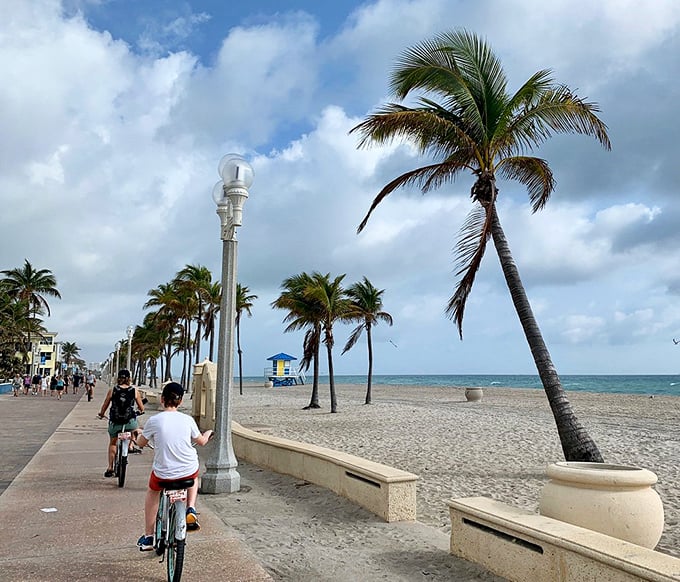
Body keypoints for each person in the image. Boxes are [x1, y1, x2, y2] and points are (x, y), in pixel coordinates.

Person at [134, 382, 213, 550]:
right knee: (194, 475)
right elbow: (201, 441)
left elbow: (141, 443)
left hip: (163, 475)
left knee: (152, 492)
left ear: (162, 399)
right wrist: (207, 433)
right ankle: (190, 508)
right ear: (181, 401)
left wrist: (138, 434)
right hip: (187, 472)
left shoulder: (154, 420)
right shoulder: (188, 420)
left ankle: (149, 536)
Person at [97, 369, 145, 478]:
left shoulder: (113, 390)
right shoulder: (134, 391)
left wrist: (101, 413)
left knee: (113, 443)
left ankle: (110, 467)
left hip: (115, 422)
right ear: (129, 379)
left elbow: (105, 405)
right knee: (136, 429)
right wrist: (140, 411)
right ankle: (131, 445)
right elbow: (142, 408)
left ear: (118, 378)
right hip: (129, 423)